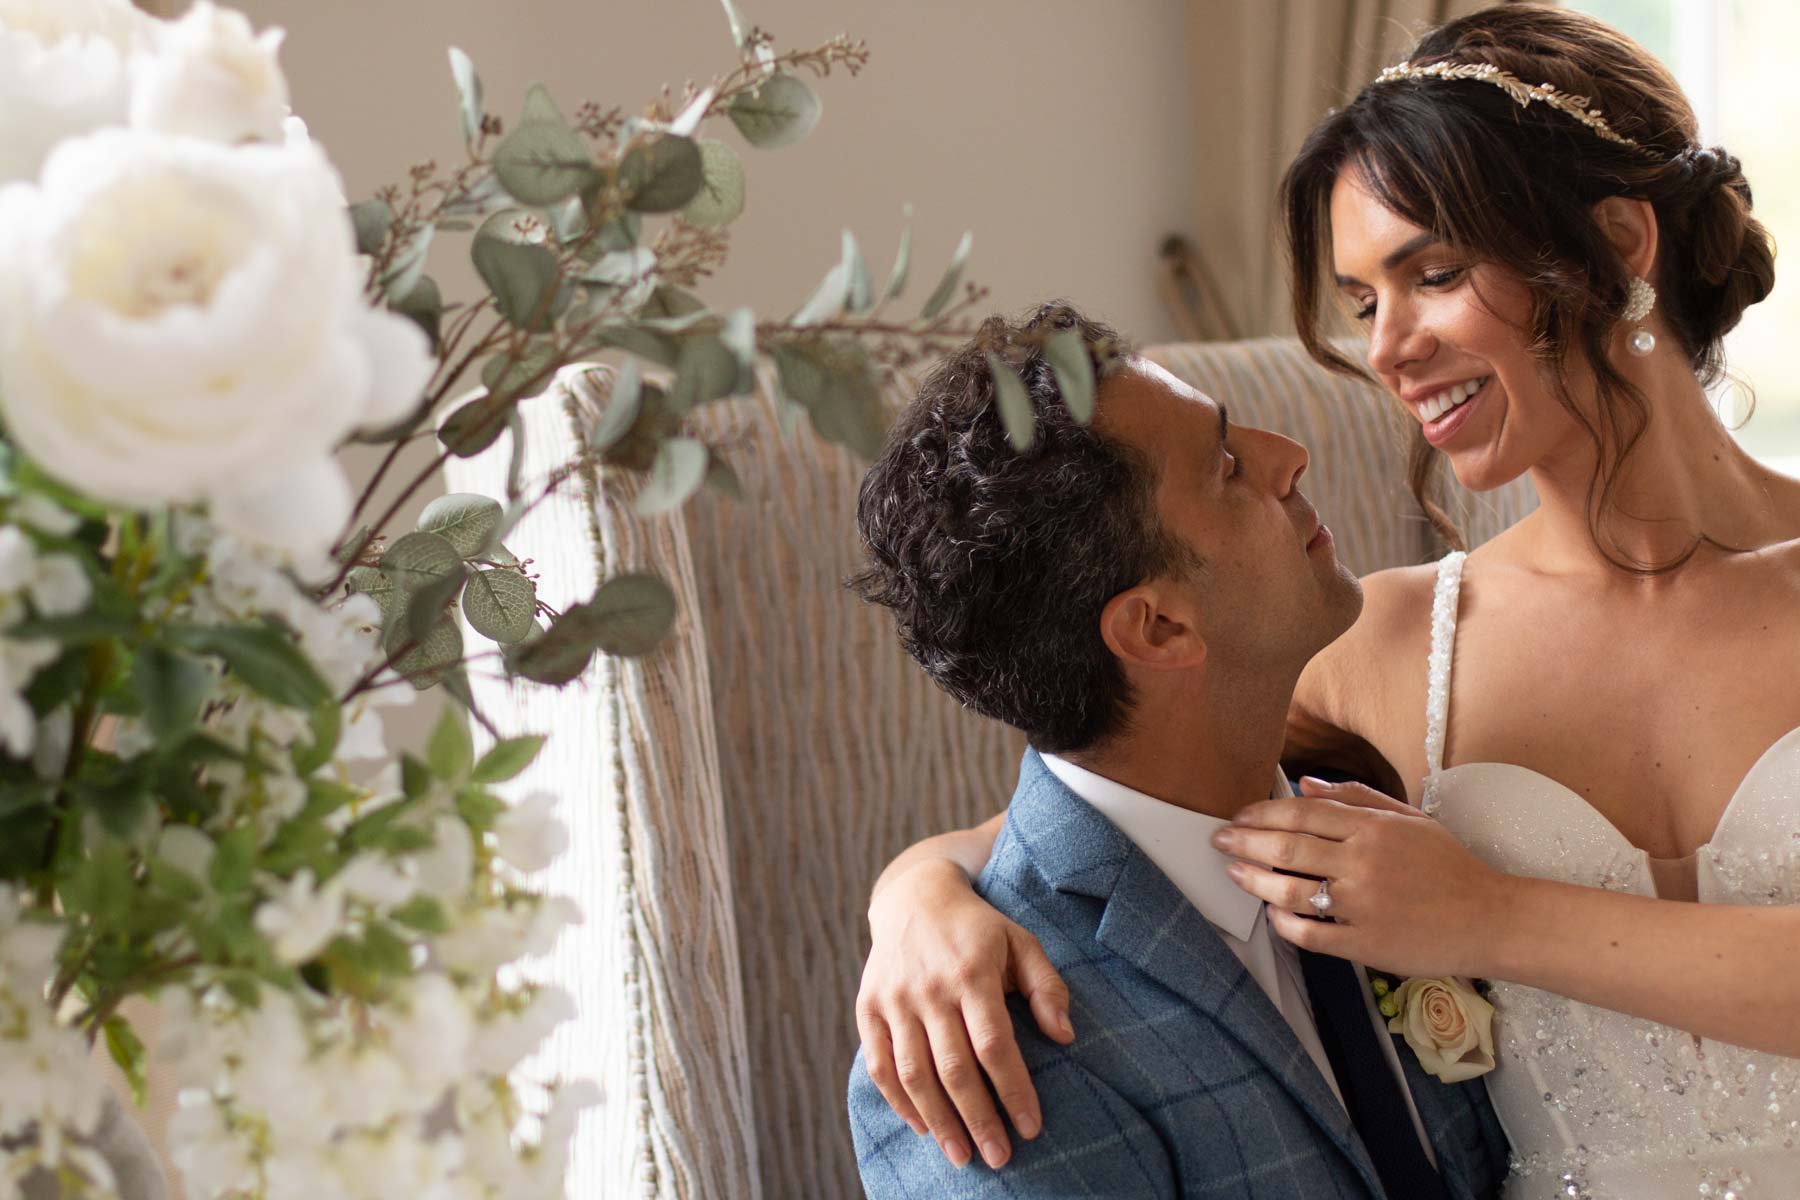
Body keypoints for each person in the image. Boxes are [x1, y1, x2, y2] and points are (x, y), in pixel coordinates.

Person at [852, 7, 1800, 1198]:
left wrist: (1490, 917)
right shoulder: (1386, 644)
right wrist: (918, 898)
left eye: (1433, 275)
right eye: (1362, 303)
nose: (1387, 350)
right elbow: (1121, 806)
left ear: (1617, 244)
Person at [845, 302, 1509, 1199]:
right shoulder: (995, 1061)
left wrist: (913, 882)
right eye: (1228, 466)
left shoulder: (1378, 797)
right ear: (1157, 626)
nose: (1288, 457)